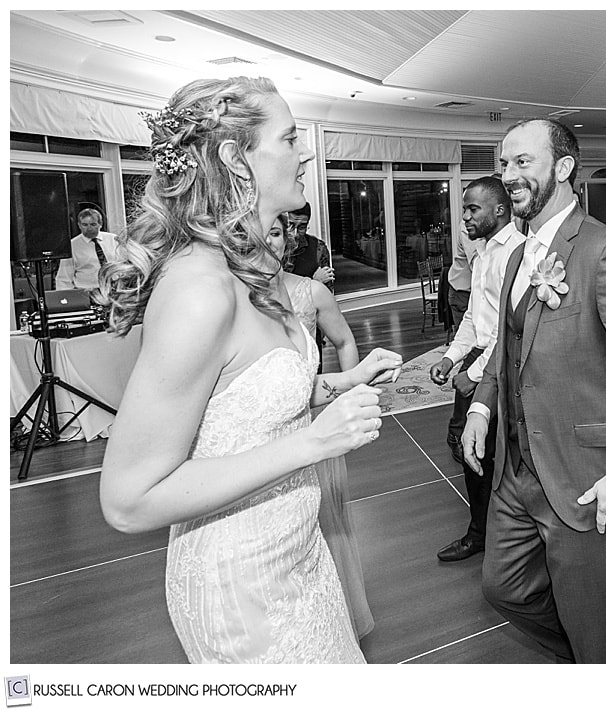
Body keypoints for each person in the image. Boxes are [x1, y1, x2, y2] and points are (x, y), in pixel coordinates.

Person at [97, 76, 402, 663]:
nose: (304, 152)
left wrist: (339, 385)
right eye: (289, 139)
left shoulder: (252, 267)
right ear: (238, 159)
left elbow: (241, 402)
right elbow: (127, 502)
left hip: (300, 552)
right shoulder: (199, 289)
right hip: (241, 587)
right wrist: (315, 442)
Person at [462, 118, 606, 663]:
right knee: (504, 589)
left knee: (597, 627)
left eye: (523, 162)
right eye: (503, 163)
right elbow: (505, 343)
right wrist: (481, 405)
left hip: (588, 478)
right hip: (517, 469)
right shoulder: (519, 254)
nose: (508, 175)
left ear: (563, 169)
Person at [267, 216, 373, 641]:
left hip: (311, 417)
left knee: (324, 523)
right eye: (260, 231)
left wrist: (351, 399)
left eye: (276, 232)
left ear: (288, 238)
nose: (268, 240)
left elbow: (345, 342)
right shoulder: (232, 295)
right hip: (264, 433)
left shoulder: (311, 292)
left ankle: (332, 622)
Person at [429, 177, 525, 562]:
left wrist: (474, 374)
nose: (464, 217)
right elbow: (475, 315)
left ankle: (498, 534)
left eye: (473, 209)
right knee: (472, 450)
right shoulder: (484, 251)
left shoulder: (515, 254)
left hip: (505, 365)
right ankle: (483, 531)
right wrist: (452, 357)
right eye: (463, 209)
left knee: (497, 452)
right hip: (480, 358)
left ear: (500, 210)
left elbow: (511, 329)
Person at [443, 223, 477, 463]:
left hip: (476, 294)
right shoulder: (471, 228)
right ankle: (457, 431)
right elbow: (480, 264)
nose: (467, 216)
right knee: (472, 362)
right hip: (465, 294)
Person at [55, 208, 118, 291]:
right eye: (85, 225)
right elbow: (64, 278)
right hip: (88, 292)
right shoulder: (72, 246)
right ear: (79, 225)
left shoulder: (114, 240)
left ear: (100, 224)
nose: (89, 228)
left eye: (93, 224)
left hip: (114, 288)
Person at [285, 201, 334, 289]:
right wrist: (314, 282)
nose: (295, 233)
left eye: (302, 227)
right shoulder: (272, 247)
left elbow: (326, 294)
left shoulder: (318, 248)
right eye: (290, 225)